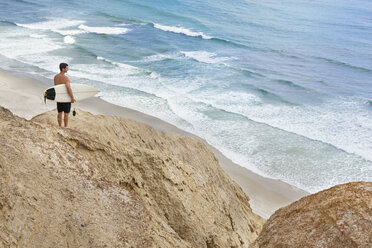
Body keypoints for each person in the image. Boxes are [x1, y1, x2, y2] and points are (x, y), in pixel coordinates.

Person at [54, 63, 76, 127]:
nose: (67, 69)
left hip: (59, 97)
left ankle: (59, 126)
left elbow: (56, 87)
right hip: (66, 98)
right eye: (66, 68)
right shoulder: (66, 78)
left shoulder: (56, 77)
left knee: (59, 112)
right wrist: (72, 98)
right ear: (63, 69)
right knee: (66, 114)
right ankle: (65, 127)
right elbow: (68, 88)